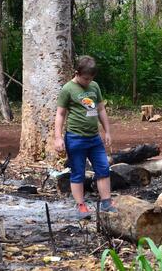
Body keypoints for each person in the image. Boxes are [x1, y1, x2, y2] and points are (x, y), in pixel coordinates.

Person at [54, 55, 117, 219]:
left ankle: (106, 201)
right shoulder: (68, 89)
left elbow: (101, 109)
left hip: (94, 138)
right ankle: (81, 205)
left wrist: (107, 131)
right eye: (86, 78)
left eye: (91, 78)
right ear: (77, 73)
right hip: (75, 138)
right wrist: (58, 137)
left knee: (103, 167)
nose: (88, 81)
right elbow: (60, 114)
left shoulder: (94, 86)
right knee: (78, 172)